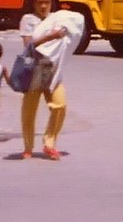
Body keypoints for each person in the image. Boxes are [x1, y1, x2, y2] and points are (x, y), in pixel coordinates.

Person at [20, 9, 84, 161]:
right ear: (33, 4)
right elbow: (29, 45)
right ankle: (28, 147)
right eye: (40, 3)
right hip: (35, 69)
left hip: (53, 70)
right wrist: (50, 36)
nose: (43, 6)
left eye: (47, 2)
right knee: (29, 110)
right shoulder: (29, 20)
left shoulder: (57, 20)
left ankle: (49, 142)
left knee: (60, 105)